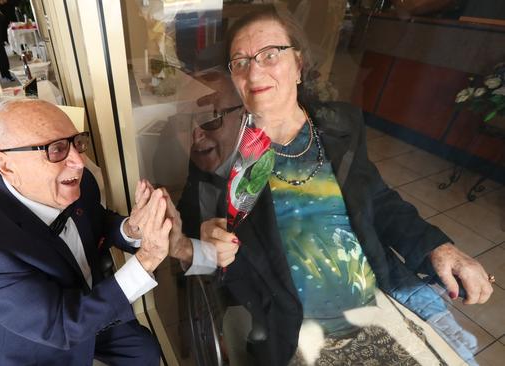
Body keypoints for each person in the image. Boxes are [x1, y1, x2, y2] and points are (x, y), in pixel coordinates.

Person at [168, 7, 496, 366]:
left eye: (270, 55)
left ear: (298, 64)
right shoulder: (221, 145)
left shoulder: (340, 125)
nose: (254, 70)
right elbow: (191, 224)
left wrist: (439, 247)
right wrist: (200, 237)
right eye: (240, 61)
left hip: (387, 294)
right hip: (300, 326)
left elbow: (381, 201)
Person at [0, 99, 171, 365]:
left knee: (144, 353)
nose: (79, 162)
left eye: (77, 142)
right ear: (5, 165)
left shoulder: (78, 181)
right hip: (32, 347)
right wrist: (147, 260)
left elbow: (96, 221)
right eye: (56, 149)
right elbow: (62, 326)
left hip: (91, 303)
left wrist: (131, 228)